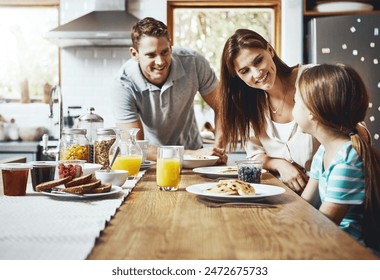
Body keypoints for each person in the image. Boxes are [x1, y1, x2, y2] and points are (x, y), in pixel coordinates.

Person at [112, 17, 227, 163]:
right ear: (135, 54)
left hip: (195, 159)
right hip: (154, 161)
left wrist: (217, 149)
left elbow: (222, 105)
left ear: (171, 47)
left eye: (165, 52)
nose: (160, 62)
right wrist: (191, 154)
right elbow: (132, 145)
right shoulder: (123, 84)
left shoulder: (194, 62)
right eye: (151, 55)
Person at [220, 29, 320, 193]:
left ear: (270, 50)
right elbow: (255, 155)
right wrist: (280, 164)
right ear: (237, 76)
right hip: (284, 198)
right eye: (244, 71)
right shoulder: (250, 103)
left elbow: (355, 133)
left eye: (258, 61)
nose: (257, 73)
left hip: (328, 196)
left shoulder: (312, 78)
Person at [294, 63, 380, 254]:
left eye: (296, 103)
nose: (293, 110)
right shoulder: (323, 152)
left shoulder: (347, 160)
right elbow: (304, 206)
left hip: (349, 252)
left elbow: (326, 224)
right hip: (327, 244)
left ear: (311, 112)